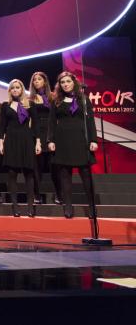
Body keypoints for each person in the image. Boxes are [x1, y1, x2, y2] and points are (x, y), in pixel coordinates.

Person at [47, 72, 98, 219]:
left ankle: (91, 206)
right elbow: (51, 122)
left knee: (86, 176)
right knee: (65, 176)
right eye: (62, 82)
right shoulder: (56, 100)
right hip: (63, 140)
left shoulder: (83, 99)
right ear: (59, 85)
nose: (65, 84)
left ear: (73, 82)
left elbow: (90, 121)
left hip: (81, 139)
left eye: (68, 81)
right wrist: (50, 140)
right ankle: (68, 206)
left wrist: (93, 140)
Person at [0, 79, 41, 218]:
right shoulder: (6, 106)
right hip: (11, 140)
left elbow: (36, 125)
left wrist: (38, 142)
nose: (15, 90)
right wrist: (1, 143)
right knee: (12, 173)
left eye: (18, 87)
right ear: (10, 91)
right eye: (13, 88)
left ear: (22, 89)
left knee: (29, 173)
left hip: (26, 140)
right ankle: (15, 206)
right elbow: (2, 127)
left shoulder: (30, 105)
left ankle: (30, 206)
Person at [29, 71, 54, 204]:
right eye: (34, 80)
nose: (36, 81)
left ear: (44, 81)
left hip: (51, 132)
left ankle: (59, 194)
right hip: (37, 133)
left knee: (54, 165)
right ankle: (37, 195)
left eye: (39, 79)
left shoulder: (53, 97)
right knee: (36, 167)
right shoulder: (30, 99)